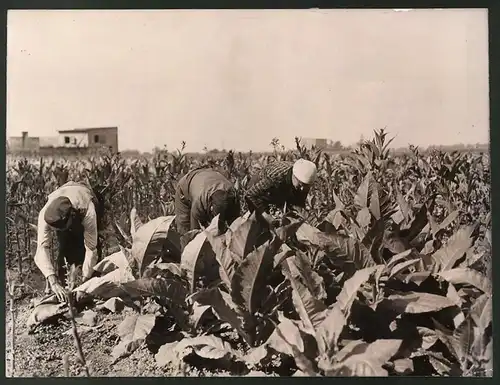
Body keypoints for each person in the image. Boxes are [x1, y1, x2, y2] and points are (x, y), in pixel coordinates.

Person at [34, 181, 101, 302]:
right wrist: (53, 281)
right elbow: (42, 248)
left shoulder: (87, 210)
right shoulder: (45, 214)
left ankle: (93, 283)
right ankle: (64, 285)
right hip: (64, 195)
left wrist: (84, 281)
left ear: (72, 217)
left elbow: (91, 249)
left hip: (84, 195)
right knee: (65, 247)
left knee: (89, 245)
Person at [244, 158, 317, 232]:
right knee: (260, 223)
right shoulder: (276, 176)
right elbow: (250, 195)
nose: (302, 189)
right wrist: (266, 216)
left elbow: (299, 205)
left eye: (306, 186)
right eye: (300, 184)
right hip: (258, 187)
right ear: (294, 176)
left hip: (279, 188)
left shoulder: (304, 182)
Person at [174, 167, 241, 240]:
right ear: (211, 207)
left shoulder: (233, 196)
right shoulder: (199, 201)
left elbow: (236, 224)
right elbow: (194, 231)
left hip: (207, 177)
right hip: (186, 184)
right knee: (185, 230)